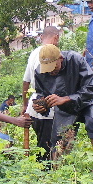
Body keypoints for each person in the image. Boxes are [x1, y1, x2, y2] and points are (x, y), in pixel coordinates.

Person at [33, 44, 93, 159]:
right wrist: (41, 105)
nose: (50, 71)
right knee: (58, 139)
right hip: (65, 109)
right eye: (47, 68)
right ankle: (58, 172)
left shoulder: (75, 59)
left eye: (53, 66)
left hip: (87, 102)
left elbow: (89, 89)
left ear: (60, 58)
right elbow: (41, 94)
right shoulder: (40, 72)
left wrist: (66, 98)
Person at [22, 26, 61, 160]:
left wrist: (25, 105)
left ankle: (42, 175)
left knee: (42, 146)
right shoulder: (54, 55)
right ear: (56, 37)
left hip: (33, 108)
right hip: (47, 109)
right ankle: (45, 177)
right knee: (48, 151)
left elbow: (25, 82)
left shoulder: (34, 53)